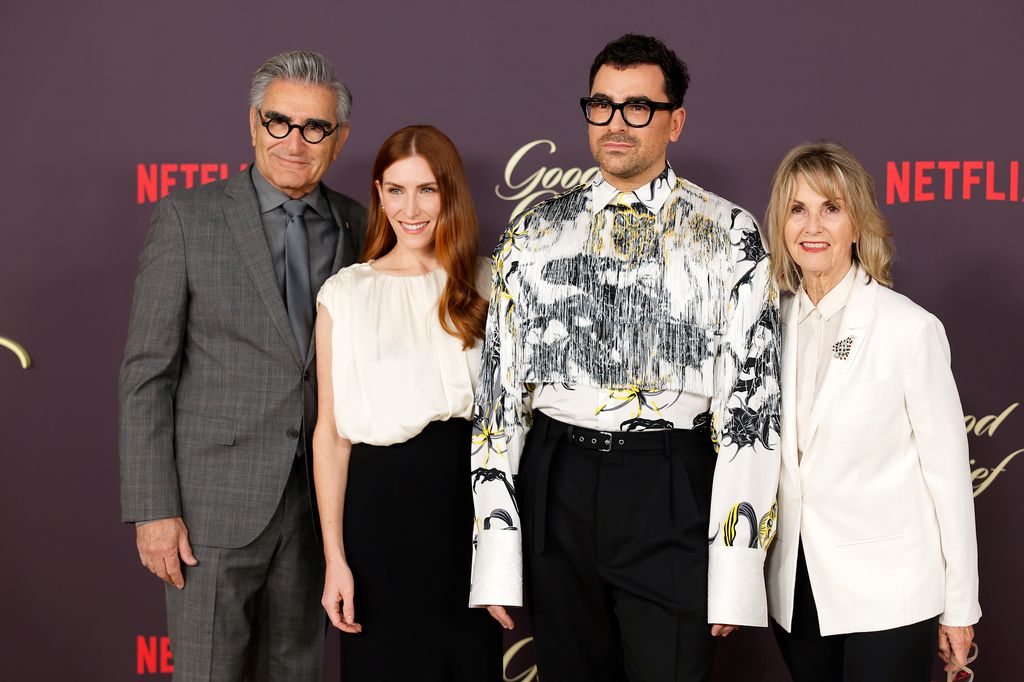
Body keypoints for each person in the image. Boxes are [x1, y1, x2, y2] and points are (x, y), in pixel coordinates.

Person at [469, 34, 781, 682]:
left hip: (671, 486)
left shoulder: (729, 233)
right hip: (559, 486)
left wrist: (735, 564)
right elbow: (498, 398)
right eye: (602, 106)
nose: (616, 123)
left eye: (637, 107)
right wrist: (496, 551)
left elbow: (752, 407)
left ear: (675, 121)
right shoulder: (535, 232)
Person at [119, 51, 366, 681]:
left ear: (337, 140)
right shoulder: (186, 218)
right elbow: (148, 374)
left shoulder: (360, 225)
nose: (294, 141)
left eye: (315, 128)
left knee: (298, 671)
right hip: (210, 511)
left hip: (320, 510)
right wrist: (153, 508)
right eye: (279, 122)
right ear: (253, 125)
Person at [763, 141, 981, 682]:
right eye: (797, 209)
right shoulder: (767, 328)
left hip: (891, 595)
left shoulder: (909, 329)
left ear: (857, 224)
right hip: (796, 591)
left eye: (830, 208)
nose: (812, 226)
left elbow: (949, 477)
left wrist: (960, 607)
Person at [313, 125, 502, 681]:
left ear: (451, 194)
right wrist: (335, 559)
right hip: (380, 518)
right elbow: (331, 434)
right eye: (395, 190)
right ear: (378, 193)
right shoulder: (345, 293)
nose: (410, 208)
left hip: (471, 509)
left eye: (427, 190)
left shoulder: (491, 282)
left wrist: (504, 549)